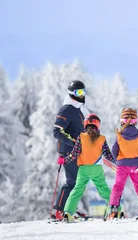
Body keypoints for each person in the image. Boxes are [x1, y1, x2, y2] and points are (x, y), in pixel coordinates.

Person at [61, 114, 115, 222]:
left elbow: (74, 154)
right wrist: (118, 161)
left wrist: (64, 160)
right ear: (98, 126)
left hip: (83, 169)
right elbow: (108, 155)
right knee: (103, 189)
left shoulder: (81, 137)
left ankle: (68, 212)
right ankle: (114, 209)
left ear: (86, 124)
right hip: (97, 169)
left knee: (77, 190)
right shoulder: (102, 138)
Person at [52, 80, 90, 220]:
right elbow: (57, 131)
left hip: (78, 151)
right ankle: (60, 211)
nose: (81, 95)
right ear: (71, 94)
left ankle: (71, 208)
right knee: (72, 182)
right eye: (78, 93)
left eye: (83, 92)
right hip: (69, 151)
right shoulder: (67, 109)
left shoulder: (78, 109)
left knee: (79, 182)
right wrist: (73, 143)